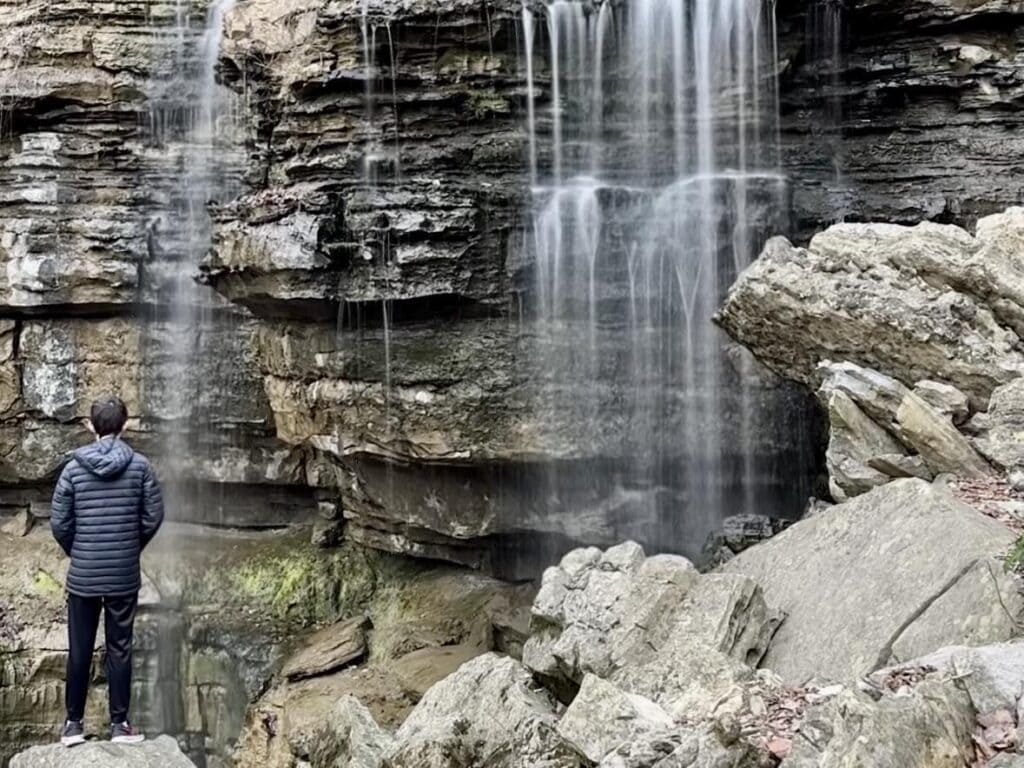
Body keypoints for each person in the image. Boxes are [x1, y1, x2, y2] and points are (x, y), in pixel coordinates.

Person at [50, 395, 165, 746]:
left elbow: (59, 522)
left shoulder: (72, 469)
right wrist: (130, 549)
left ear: (90, 425)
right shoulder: (141, 466)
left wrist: (79, 552)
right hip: (122, 575)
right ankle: (120, 726)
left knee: (80, 648)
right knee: (120, 648)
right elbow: (153, 517)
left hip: (83, 574)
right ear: (125, 425)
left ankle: (72, 725)